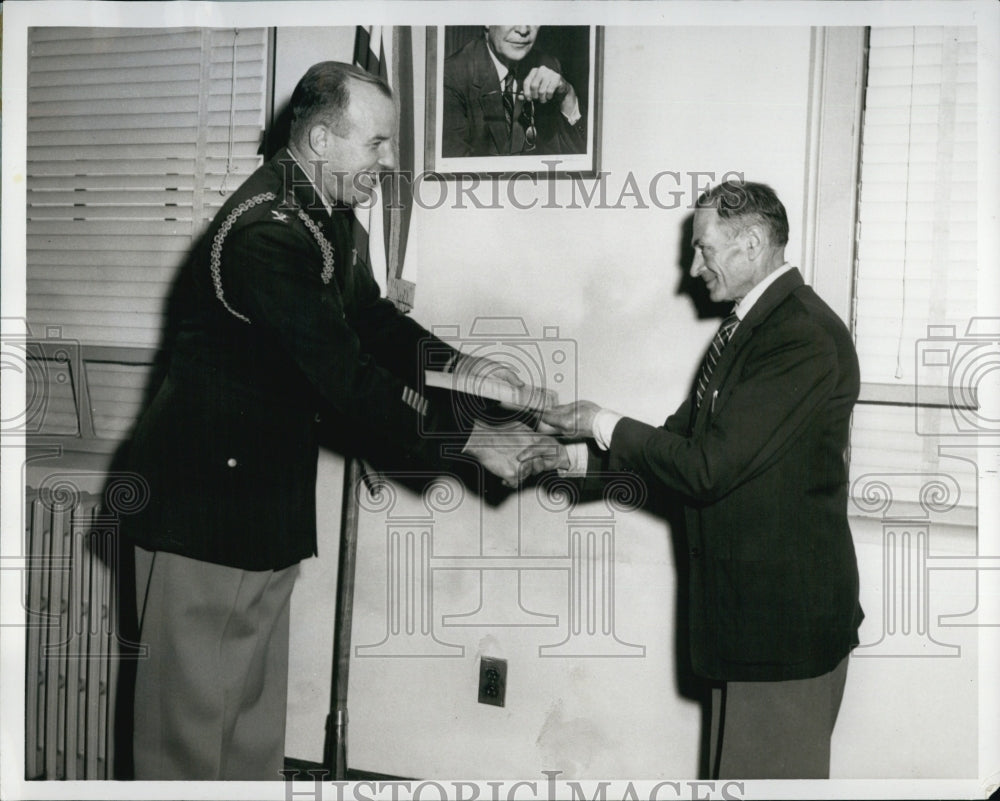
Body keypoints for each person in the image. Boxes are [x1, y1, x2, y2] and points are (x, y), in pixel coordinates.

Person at [117, 61, 537, 780]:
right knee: (184, 750)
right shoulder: (267, 234)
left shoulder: (332, 217)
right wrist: (473, 438)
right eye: (375, 144)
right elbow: (345, 379)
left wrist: (469, 373)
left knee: (246, 733)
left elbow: (369, 321)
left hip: (262, 511)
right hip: (198, 517)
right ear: (318, 139)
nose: (386, 161)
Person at [518, 181, 864, 779]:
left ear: (751, 243)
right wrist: (572, 461)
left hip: (782, 635)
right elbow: (678, 450)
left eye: (703, 249)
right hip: (748, 627)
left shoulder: (799, 336)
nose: (692, 268)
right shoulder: (750, 329)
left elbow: (707, 469)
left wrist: (601, 420)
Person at [442, 25, 587, 158]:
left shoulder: (548, 67)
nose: (523, 30)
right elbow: (458, 176)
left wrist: (568, 96)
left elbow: (575, 159)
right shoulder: (450, 76)